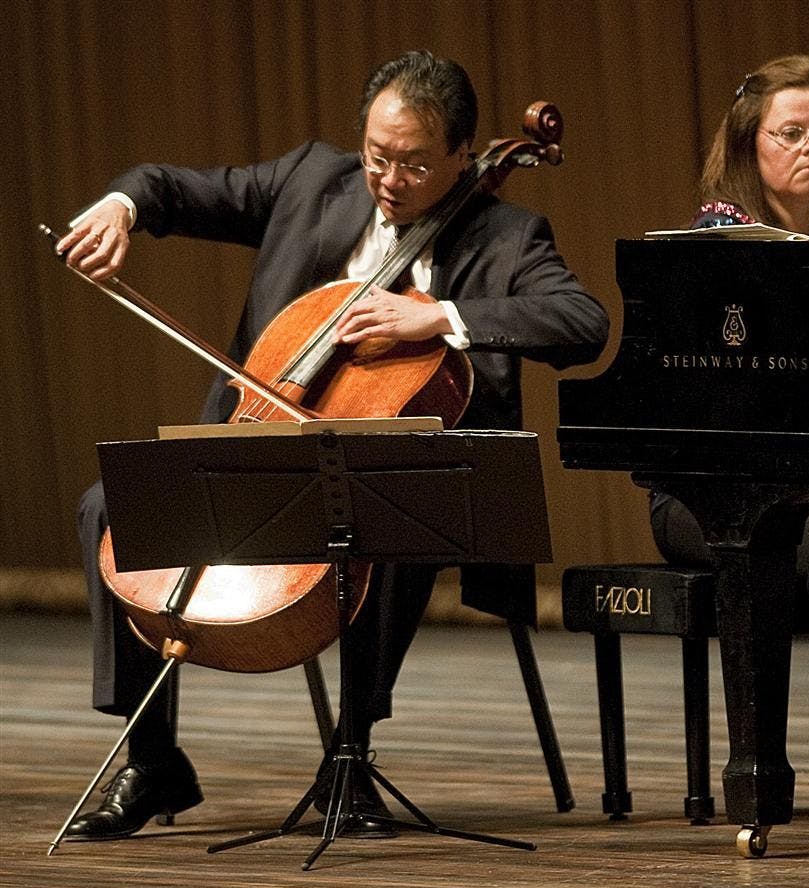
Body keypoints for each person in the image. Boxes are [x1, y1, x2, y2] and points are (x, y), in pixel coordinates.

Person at [56, 50, 610, 840]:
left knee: (391, 516)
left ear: (462, 153)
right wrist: (120, 205)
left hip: (400, 480)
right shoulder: (311, 180)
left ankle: (350, 753)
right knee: (108, 505)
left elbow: (581, 323)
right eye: (377, 156)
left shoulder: (509, 236)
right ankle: (151, 761)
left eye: (414, 164)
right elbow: (169, 187)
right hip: (257, 447)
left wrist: (438, 316)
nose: (388, 178)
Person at [650, 54, 809, 710]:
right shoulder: (716, 247)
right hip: (707, 493)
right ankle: (758, 776)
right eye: (791, 132)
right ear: (751, 143)